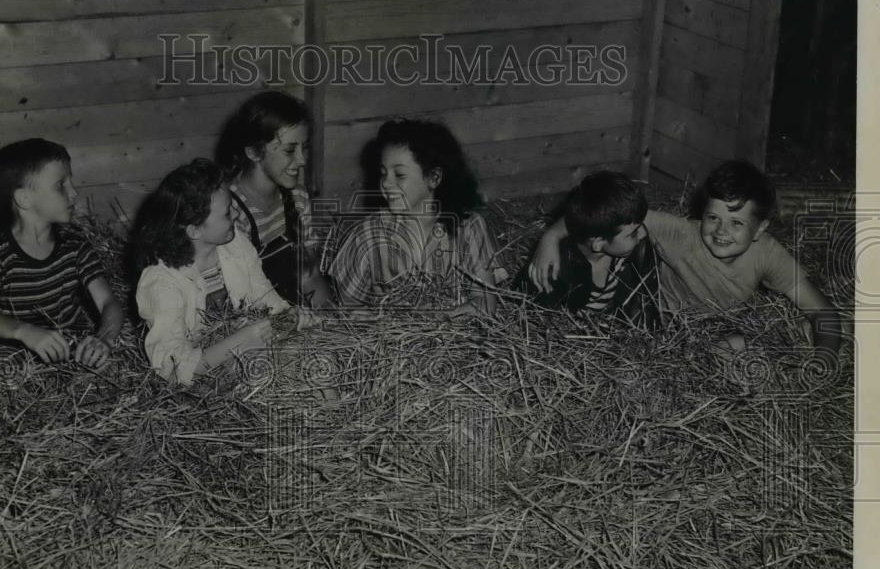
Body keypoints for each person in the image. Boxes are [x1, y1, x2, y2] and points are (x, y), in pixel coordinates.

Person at [528, 160, 843, 361]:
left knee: (741, 348)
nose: (720, 231)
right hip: (654, 323)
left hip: (713, 332)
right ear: (701, 214)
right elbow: (599, 215)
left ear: (760, 228)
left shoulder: (768, 254)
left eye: (737, 223)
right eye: (712, 218)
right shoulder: (679, 233)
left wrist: (825, 358)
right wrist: (551, 237)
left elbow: (822, 310)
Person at [131, 158, 316, 386]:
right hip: (205, 385)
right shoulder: (161, 282)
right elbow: (172, 370)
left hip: (250, 354)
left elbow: (267, 301)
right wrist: (243, 339)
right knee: (275, 370)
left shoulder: (235, 244)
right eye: (228, 213)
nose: (238, 216)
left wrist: (289, 318)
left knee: (314, 355)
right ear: (195, 230)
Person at [0, 138, 123, 368]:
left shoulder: (75, 247)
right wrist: (25, 332)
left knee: (109, 368)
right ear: (24, 199)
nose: (74, 192)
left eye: (71, 182)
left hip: (70, 352)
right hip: (16, 355)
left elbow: (109, 302)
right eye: (61, 184)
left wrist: (103, 339)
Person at [322, 118, 504, 317]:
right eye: (383, 173)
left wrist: (439, 320)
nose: (385, 183)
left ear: (434, 178)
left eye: (399, 175)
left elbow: (486, 303)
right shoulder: (368, 234)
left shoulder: (469, 227)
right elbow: (349, 310)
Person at [214, 91, 331, 307]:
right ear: (254, 152)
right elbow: (242, 297)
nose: (302, 160)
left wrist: (333, 321)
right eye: (289, 150)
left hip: (292, 311)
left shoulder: (297, 197)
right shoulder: (231, 211)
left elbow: (309, 275)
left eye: (304, 147)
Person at [514, 171, 661, 331]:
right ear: (597, 244)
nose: (643, 234)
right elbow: (538, 323)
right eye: (633, 233)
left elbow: (644, 305)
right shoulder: (556, 272)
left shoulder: (635, 250)